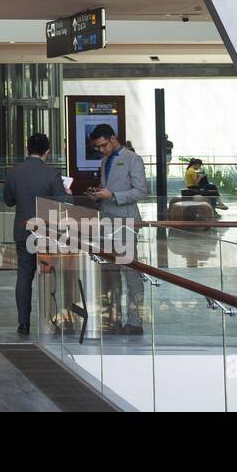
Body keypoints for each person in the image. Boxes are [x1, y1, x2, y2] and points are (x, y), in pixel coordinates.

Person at [2, 133, 69, 335]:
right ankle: (49, 319)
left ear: (26, 149)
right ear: (47, 151)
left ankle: (23, 322)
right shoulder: (52, 175)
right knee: (49, 274)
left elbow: (8, 201)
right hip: (47, 233)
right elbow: (61, 205)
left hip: (23, 232)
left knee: (24, 276)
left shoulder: (14, 173)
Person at [86, 123, 147, 334]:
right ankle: (114, 317)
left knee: (130, 272)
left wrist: (112, 197)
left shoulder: (132, 159)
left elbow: (141, 191)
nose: (101, 150)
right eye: (98, 147)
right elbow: (109, 189)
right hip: (106, 221)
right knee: (110, 272)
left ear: (113, 139)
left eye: (103, 145)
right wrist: (98, 196)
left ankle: (135, 321)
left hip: (125, 223)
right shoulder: (105, 161)